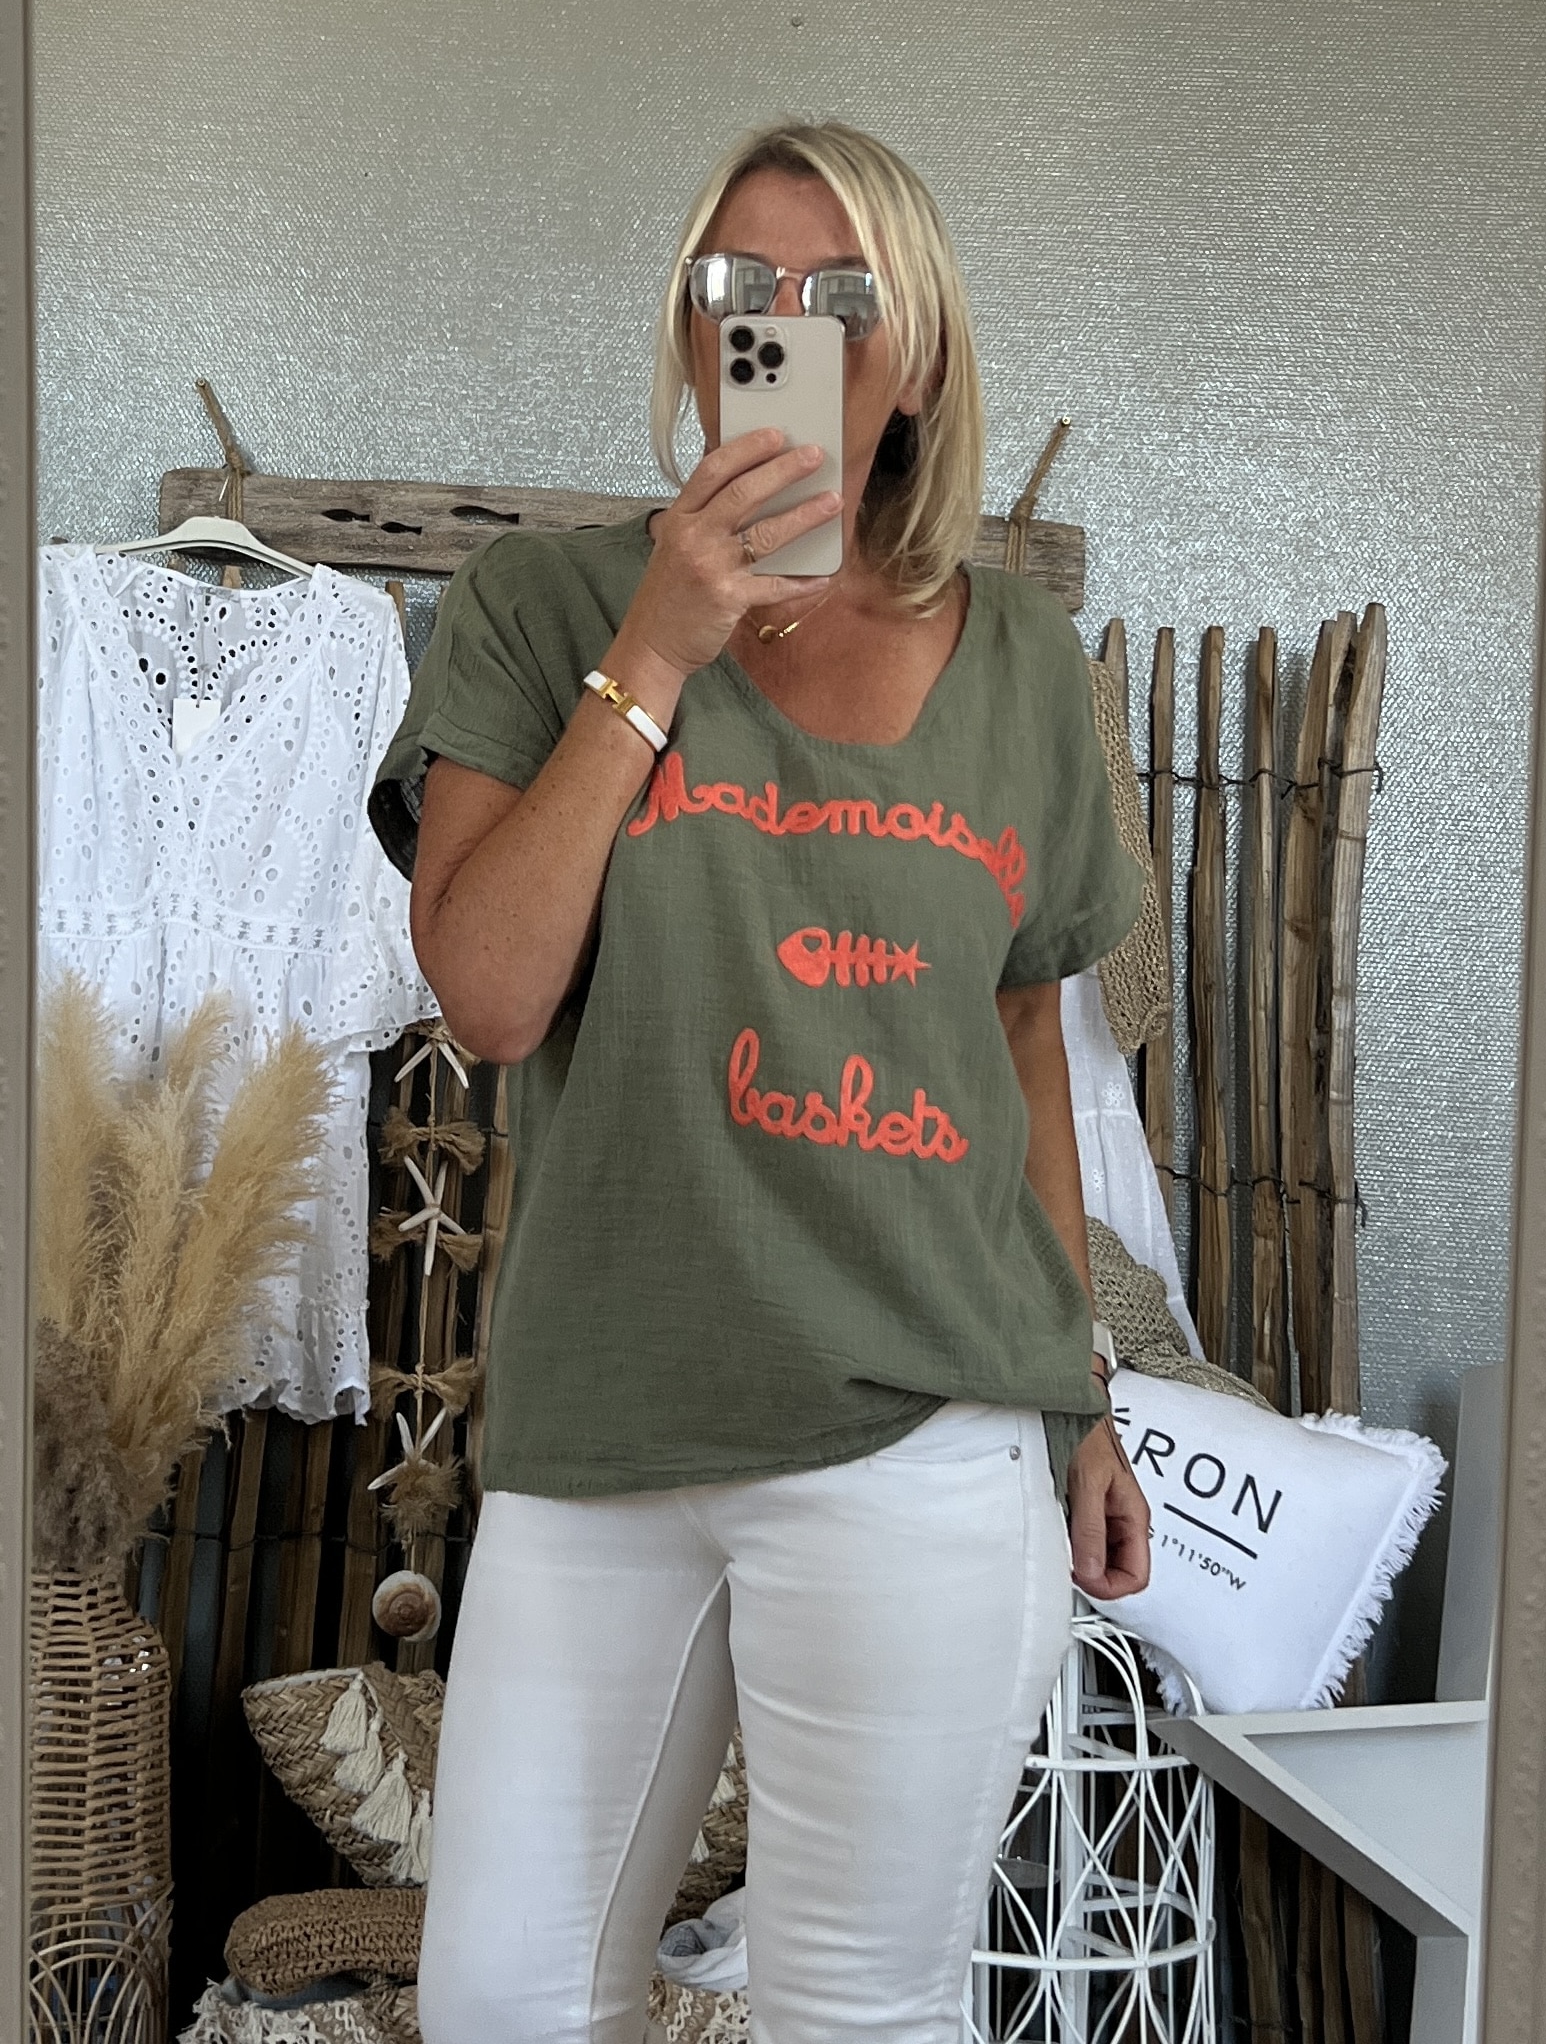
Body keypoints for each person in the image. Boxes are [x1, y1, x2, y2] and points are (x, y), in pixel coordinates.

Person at [370, 118, 1152, 2044]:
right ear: (689, 328)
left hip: (922, 1428)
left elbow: (1021, 1048)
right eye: (740, 287)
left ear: (918, 358)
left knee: (852, 2011)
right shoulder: (544, 608)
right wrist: (659, 645)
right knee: (499, 2004)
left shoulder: (1021, 664)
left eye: (839, 294)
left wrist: (1079, 1402)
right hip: (603, 1424)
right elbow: (490, 994)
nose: (781, 324)